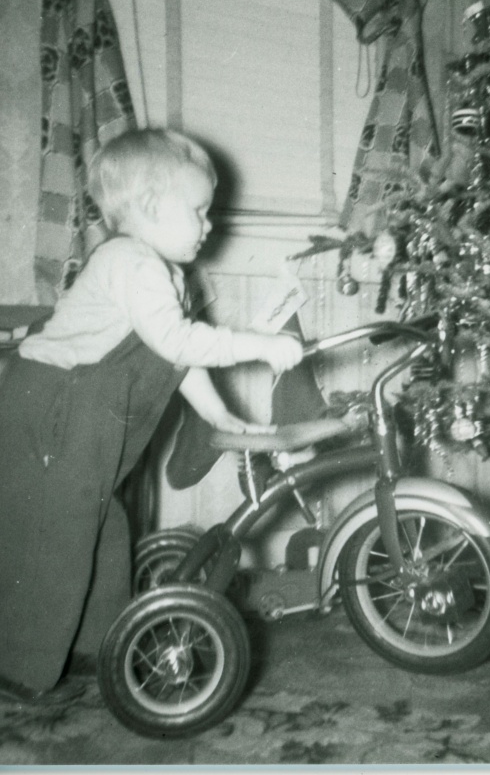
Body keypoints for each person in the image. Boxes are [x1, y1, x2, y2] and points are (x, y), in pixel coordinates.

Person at [0, 128, 303, 703]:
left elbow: (175, 363)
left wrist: (224, 416)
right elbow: (179, 342)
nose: (209, 225)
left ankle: (94, 647)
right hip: (52, 408)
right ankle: (21, 664)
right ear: (147, 208)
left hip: (82, 415)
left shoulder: (163, 275)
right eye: (198, 211)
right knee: (55, 538)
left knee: (107, 530)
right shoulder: (131, 262)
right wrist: (257, 343)